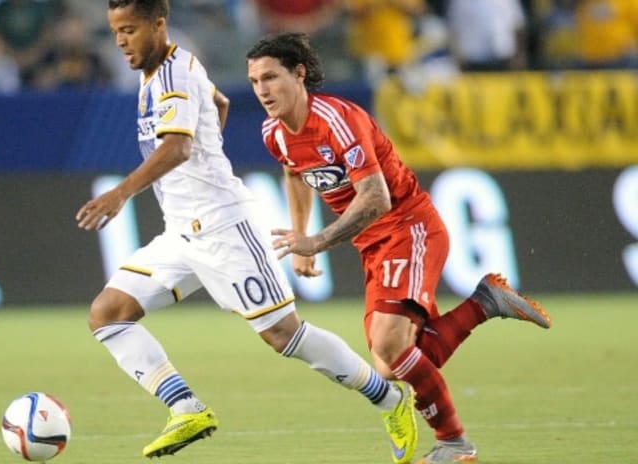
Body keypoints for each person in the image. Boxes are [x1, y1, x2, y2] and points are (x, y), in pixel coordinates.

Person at [76, 1, 418, 462]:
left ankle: (388, 398)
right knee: (108, 313)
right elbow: (220, 101)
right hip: (181, 232)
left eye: (130, 30)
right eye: (115, 31)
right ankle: (186, 408)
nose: (120, 41)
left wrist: (120, 194)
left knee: (285, 337)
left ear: (158, 25)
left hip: (223, 226)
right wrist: (209, 145)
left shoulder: (174, 74)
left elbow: (176, 148)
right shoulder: (164, 70)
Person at [245, 32, 553, 464]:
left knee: (391, 349)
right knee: (391, 364)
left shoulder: (338, 120)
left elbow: (376, 198)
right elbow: (296, 175)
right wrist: (302, 242)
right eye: (255, 80)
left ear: (298, 74)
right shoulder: (274, 133)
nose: (262, 90)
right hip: (373, 244)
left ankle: (455, 443)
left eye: (271, 77)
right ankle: (484, 304)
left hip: (410, 227)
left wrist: (317, 239)